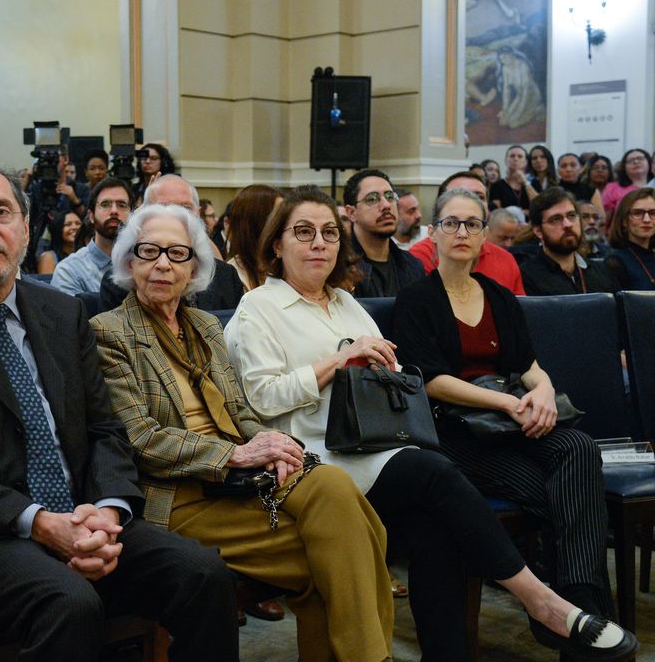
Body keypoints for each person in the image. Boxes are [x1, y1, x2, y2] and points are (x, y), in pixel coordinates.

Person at [225, 186, 637, 662]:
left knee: (436, 529)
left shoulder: (343, 302)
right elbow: (261, 399)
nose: (319, 242)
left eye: (328, 233)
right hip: (315, 456)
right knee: (434, 471)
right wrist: (338, 362)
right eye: (303, 232)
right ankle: (542, 601)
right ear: (277, 244)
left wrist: (373, 367)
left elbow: (397, 376)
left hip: (375, 441)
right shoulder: (259, 308)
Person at [0, 163, 238, 662]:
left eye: (1, 212)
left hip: (84, 516)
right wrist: (39, 522)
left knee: (203, 574)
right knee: (70, 603)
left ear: (24, 228)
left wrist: (107, 514)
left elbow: (106, 430)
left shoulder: (62, 314)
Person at [92, 202, 393, 662]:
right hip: (180, 494)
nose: (162, 264)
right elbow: (141, 438)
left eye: (177, 253)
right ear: (129, 261)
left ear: (194, 266)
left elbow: (240, 411)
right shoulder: (108, 332)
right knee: (346, 550)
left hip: (243, 482)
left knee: (334, 495)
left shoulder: (205, 324)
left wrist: (270, 443)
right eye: (149, 251)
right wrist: (234, 455)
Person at [392, 188, 635, 659]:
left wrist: (542, 390)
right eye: (451, 223)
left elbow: (528, 364)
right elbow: (431, 381)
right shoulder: (416, 299)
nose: (461, 232)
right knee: (561, 490)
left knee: (579, 448)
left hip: (510, 421)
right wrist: (506, 404)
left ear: (486, 235)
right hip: (455, 432)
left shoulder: (500, 296)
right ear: (434, 233)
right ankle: (576, 619)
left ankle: (577, 605)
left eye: (472, 224)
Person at [98, 176, 245, 314]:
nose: (176, 216)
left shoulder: (226, 277)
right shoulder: (118, 282)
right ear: (142, 213)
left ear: (198, 214)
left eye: (185, 208)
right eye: (164, 207)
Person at [410, 171, 526, 294]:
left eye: (479, 197)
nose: (469, 203)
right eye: (458, 195)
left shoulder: (505, 260)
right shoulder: (416, 260)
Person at [519, 188, 620, 295]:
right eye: (556, 219)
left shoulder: (603, 272)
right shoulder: (526, 276)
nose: (568, 224)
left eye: (572, 216)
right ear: (538, 231)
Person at [343, 170, 424, 297]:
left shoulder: (413, 266)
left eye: (390, 197)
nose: (386, 205)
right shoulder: (340, 267)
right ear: (352, 213)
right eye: (372, 199)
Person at [51, 178, 133, 296]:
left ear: (133, 215)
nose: (114, 211)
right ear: (91, 216)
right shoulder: (69, 270)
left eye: (121, 205)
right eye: (105, 205)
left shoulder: (144, 262)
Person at [225, 184, 282, 290]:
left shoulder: (280, 265)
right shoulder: (232, 276)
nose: (285, 223)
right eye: (278, 217)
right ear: (258, 221)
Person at [605, 188, 655, 289]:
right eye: (638, 213)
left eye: (653, 213)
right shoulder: (615, 262)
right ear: (624, 221)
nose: (646, 219)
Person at [602, 148, 654, 220]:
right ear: (624, 167)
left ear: (649, 163)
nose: (636, 162)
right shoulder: (612, 188)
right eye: (630, 161)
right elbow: (605, 220)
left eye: (640, 158)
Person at [490, 145, 536, 210]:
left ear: (526, 162)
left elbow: (538, 205)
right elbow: (497, 211)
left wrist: (525, 182)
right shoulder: (497, 186)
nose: (515, 159)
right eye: (512, 156)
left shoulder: (534, 183)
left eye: (520, 156)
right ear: (506, 160)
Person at [36, 210, 82, 274]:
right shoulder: (48, 257)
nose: (74, 227)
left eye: (78, 223)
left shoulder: (87, 255)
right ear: (59, 229)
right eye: (68, 224)